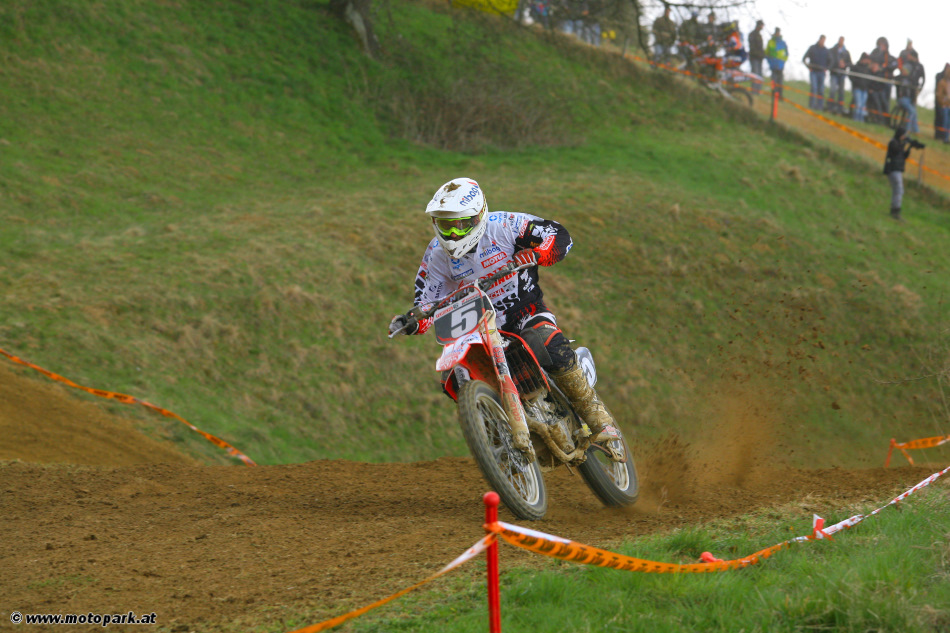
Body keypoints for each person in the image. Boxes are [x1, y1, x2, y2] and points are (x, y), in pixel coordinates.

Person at [388, 178, 622, 449]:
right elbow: (427, 303)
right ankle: (497, 444)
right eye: (445, 225)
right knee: (455, 376)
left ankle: (599, 419)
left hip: (524, 311)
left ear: (478, 216)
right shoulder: (436, 255)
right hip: (477, 328)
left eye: (460, 225)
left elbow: (558, 235)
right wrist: (412, 321)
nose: (452, 234)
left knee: (546, 343)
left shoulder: (505, 225)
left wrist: (539, 254)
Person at [882, 127, 925, 221]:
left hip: (898, 169)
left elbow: (903, 156)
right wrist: (905, 143)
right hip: (893, 169)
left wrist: (910, 147)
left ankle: (894, 210)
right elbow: (896, 151)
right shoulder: (893, 142)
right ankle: (895, 211)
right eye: (903, 135)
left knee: (897, 190)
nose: (904, 137)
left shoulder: (899, 143)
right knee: (899, 189)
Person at [896, 50, 924, 133]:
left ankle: (914, 130)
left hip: (911, 96)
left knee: (913, 111)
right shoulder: (901, 78)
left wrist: (919, 90)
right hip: (903, 98)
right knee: (912, 111)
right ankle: (908, 129)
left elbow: (923, 78)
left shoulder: (918, 69)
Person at [869, 37, 897, 116]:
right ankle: (878, 117)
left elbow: (894, 65)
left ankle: (885, 118)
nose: (881, 47)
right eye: (880, 45)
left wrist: (883, 67)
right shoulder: (876, 55)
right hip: (878, 83)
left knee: (885, 101)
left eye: (883, 45)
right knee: (879, 100)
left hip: (887, 82)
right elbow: (873, 65)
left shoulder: (890, 58)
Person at [802, 35, 830, 110]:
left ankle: (819, 107)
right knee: (814, 88)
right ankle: (812, 105)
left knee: (821, 90)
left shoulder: (826, 50)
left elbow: (830, 61)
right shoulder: (812, 48)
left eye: (824, 41)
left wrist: (826, 68)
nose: (823, 42)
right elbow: (804, 59)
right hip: (813, 71)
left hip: (822, 73)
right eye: (822, 40)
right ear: (819, 40)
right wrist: (809, 67)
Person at [827, 37, 852, 115]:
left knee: (841, 93)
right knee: (832, 91)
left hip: (842, 75)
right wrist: (834, 65)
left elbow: (850, 63)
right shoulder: (832, 50)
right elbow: (828, 61)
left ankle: (839, 110)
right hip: (834, 73)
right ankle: (830, 108)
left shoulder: (846, 52)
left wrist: (844, 64)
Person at [765, 28, 788, 98]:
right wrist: (770, 62)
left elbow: (786, 54)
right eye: (777, 32)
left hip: (781, 65)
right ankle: (773, 94)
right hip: (773, 65)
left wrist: (783, 62)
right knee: (773, 80)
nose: (778, 34)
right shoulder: (771, 42)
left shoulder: (783, 43)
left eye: (778, 32)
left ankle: (780, 95)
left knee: (780, 81)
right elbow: (767, 53)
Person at [850, 53, 873, 123]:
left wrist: (868, 86)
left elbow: (869, 79)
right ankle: (856, 119)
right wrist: (856, 83)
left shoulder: (868, 69)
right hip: (857, 88)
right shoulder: (856, 67)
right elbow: (851, 76)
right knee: (859, 104)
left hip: (865, 89)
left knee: (863, 105)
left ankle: (861, 120)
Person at [747, 19, 765, 94]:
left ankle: (758, 91)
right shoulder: (752, 34)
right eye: (761, 25)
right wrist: (759, 54)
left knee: (759, 74)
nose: (762, 27)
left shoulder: (759, 35)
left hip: (759, 58)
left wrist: (762, 54)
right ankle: (754, 91)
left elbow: (760, 47)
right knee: (755, 74)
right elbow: (752, 47)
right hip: (754, 57)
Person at [936, 64, 950, 142]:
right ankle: (943, 137)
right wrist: (942, 103)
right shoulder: (942, 82)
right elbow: (939, 94)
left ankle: (946, 137)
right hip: (944, 106)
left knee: (948, 123)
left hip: (949, 105)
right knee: (944, 122)